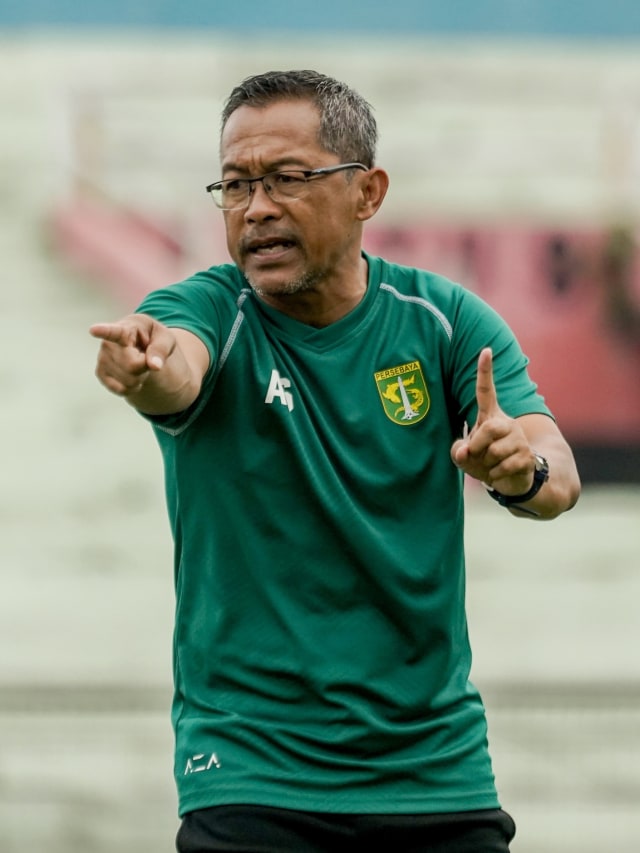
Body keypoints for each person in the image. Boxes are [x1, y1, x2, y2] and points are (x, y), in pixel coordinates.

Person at [90, 70, 581, 853]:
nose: (256, 208)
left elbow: (556, 471)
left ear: (367, 192)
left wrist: (521, 468)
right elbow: (175, 361)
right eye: (236, 184)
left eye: (287, 178)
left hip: (435, 769)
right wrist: (147, 369)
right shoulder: (209, 309)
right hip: (251, 773)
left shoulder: (444, 321)